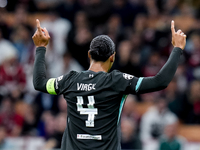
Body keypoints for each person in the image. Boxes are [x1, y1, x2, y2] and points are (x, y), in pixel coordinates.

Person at [32, 19, 186, 150]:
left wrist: (40, 47)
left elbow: (39, 83)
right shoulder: (117, 81)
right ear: (112, 57)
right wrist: (177, 48)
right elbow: (160, 81)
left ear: (89, 55)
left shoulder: (70, 80)